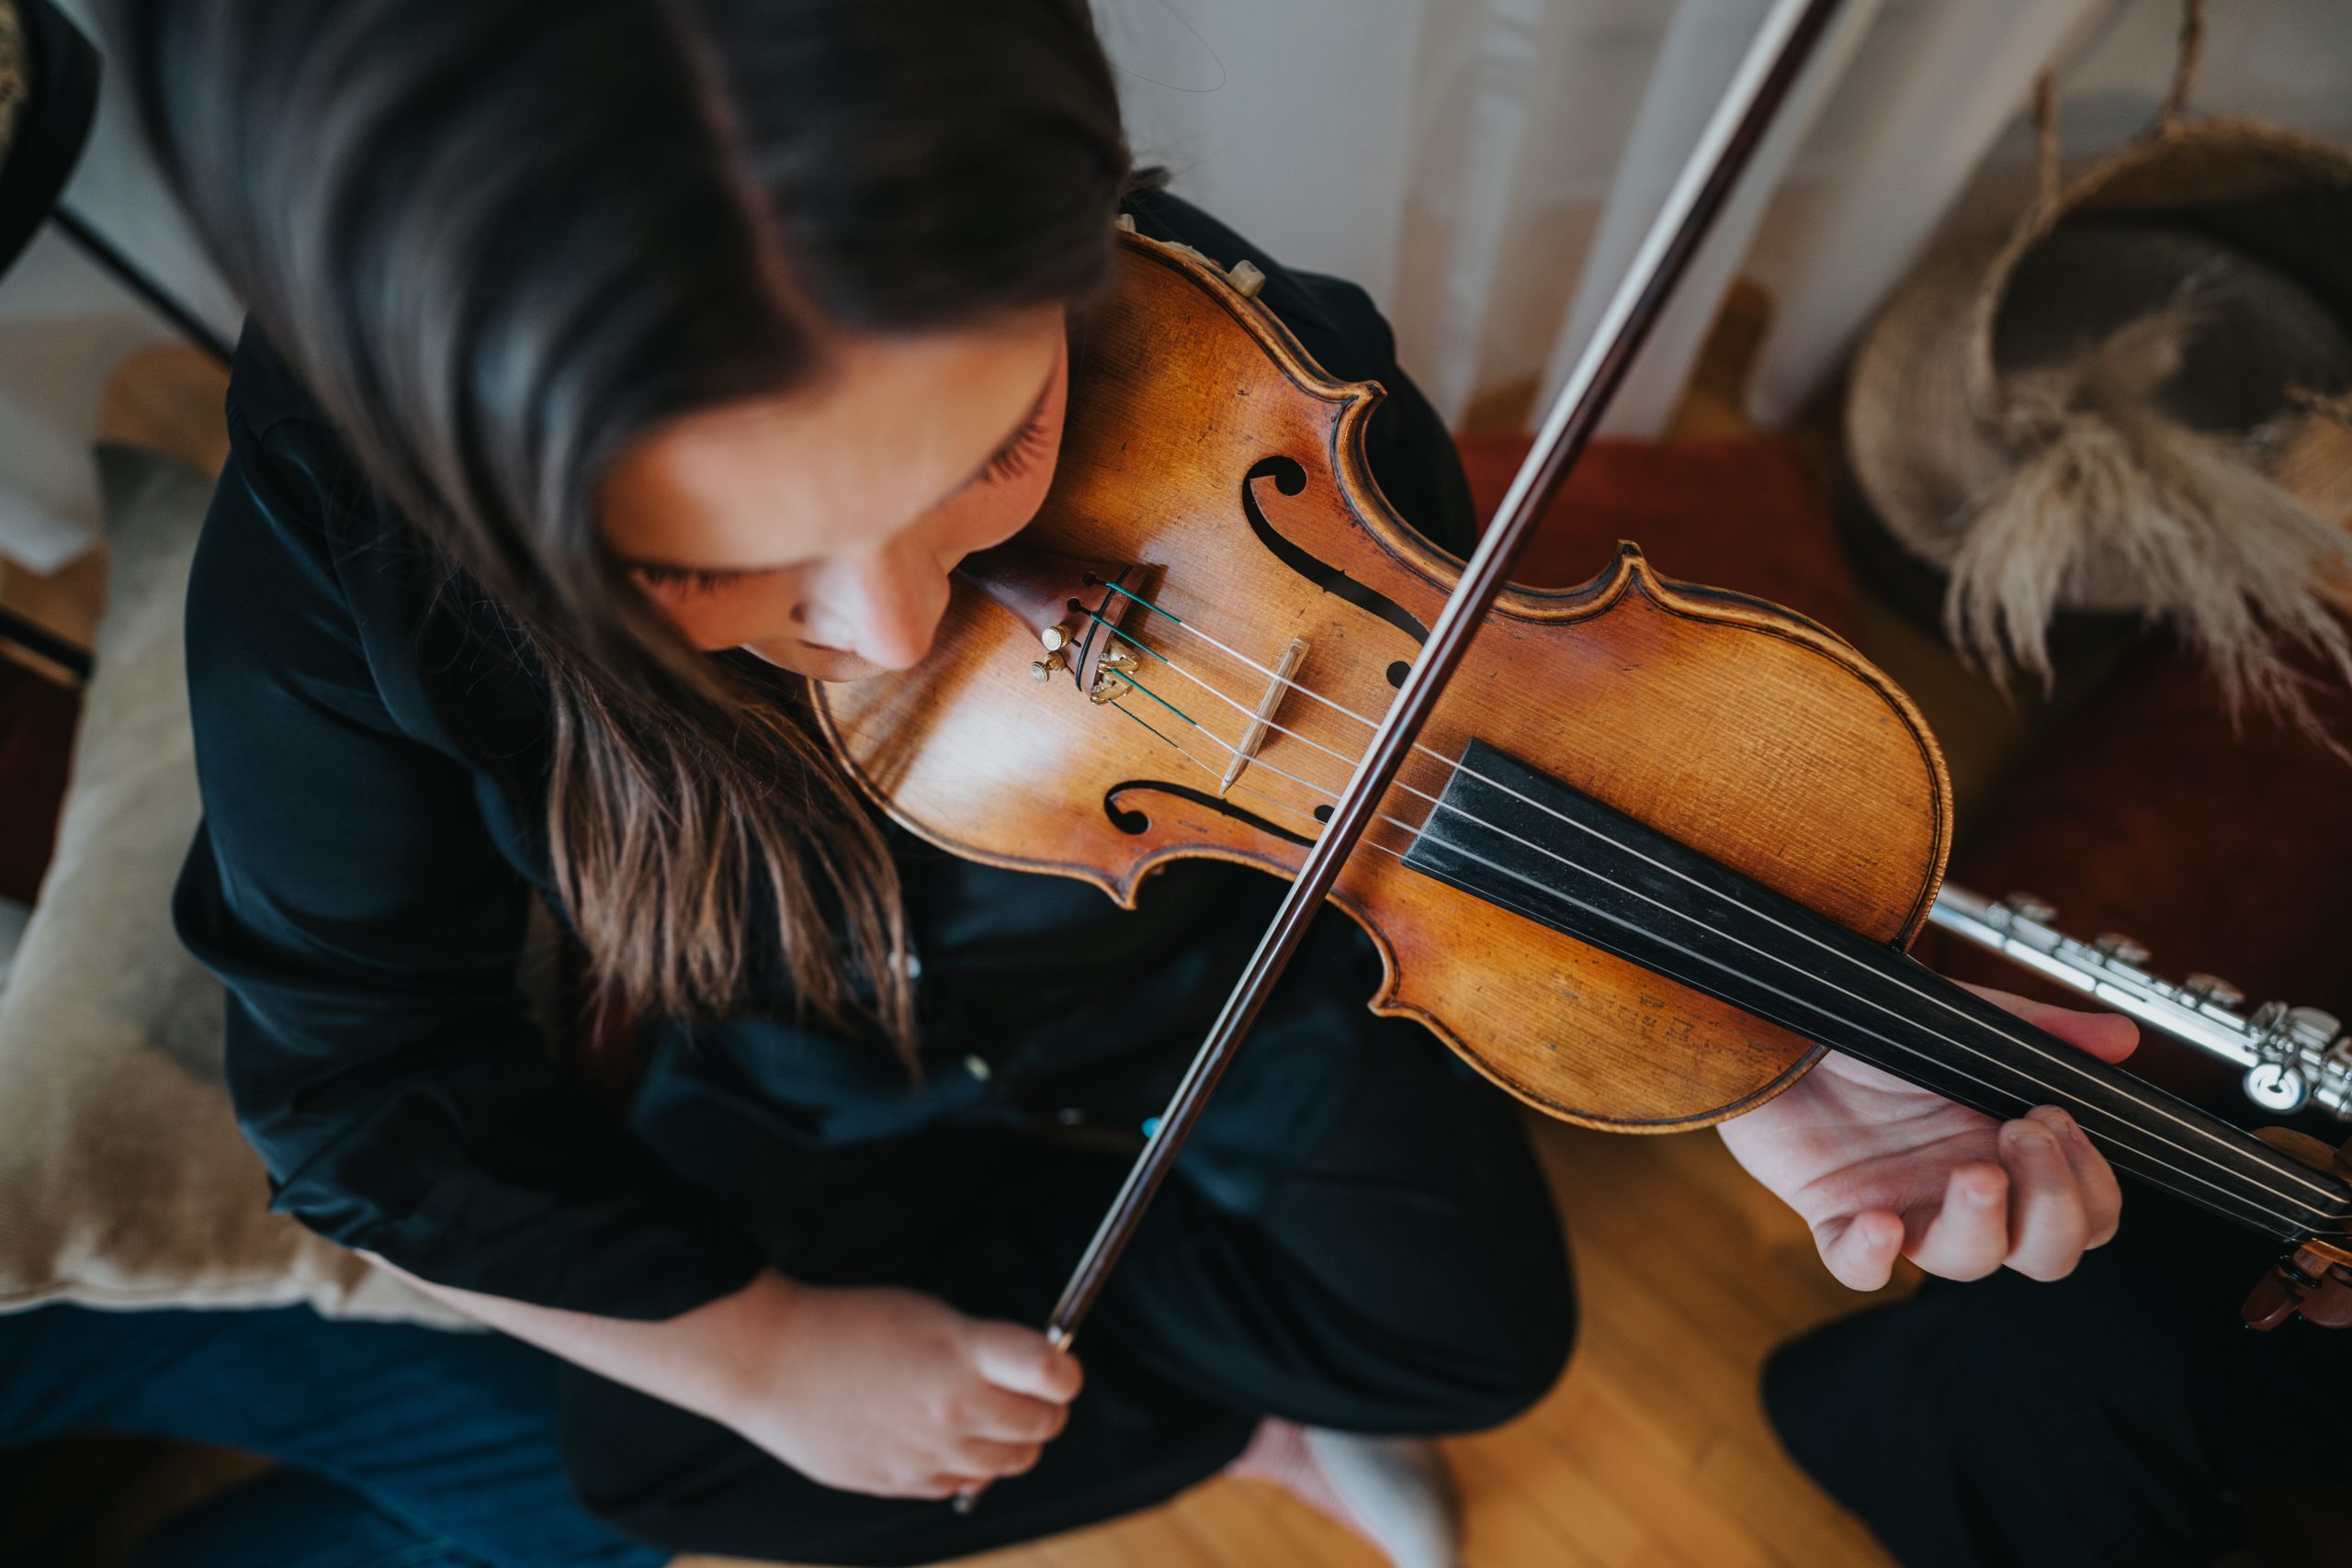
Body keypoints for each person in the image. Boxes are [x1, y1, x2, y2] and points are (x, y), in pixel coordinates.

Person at [20, 1, 2131, 1562]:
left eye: (987, 451)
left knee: (1468, 1348)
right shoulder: (348, 566)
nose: (882, 625)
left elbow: (1449, 738)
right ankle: (1226, 1429)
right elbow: (355, 1110)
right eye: (699, 567)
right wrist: (761, 1344)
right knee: (653, 1459)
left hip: (1225, 994)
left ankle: (1236, 1414)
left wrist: (1744, 1033)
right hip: (799, 1059)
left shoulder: (1246, 358)